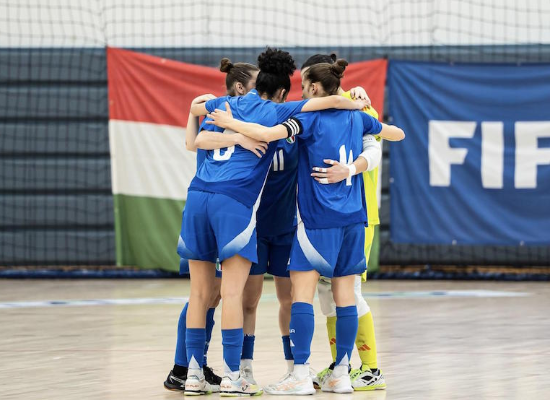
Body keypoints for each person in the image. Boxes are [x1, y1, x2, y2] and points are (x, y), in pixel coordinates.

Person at [205, 58, 404, 395]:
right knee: (346, 297)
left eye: (303, 86)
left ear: (313, 87)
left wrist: (229, 122)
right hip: (354, 220)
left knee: (301, 296)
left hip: (317, 220)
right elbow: (397, 133)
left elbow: (266, 134)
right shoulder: (358, 116)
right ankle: (341, 373)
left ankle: (299, 374)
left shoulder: (307, 119)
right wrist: (354, 155)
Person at [301, 54, 404, 391]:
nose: (302, 90)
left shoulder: (359, 108)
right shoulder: (315, 112)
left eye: (306, 83)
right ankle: (340, 366)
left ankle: (371, 369)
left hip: (358, 215)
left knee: (349, 291)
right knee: (327, 295)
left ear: (319, 83)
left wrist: (349, 169)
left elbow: (379, 147)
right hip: (325, 217)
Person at [164, 59, 261, 393]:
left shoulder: (215, 111)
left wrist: (200, 115)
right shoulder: (239, 112)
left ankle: (192, 370)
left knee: (204, 294)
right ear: (240, 87)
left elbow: (194, 141)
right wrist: (240, 137)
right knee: (221, 293)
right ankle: (220, 372)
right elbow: (196, 141)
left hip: (200, 200)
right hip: (226, 204)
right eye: (257, 84)